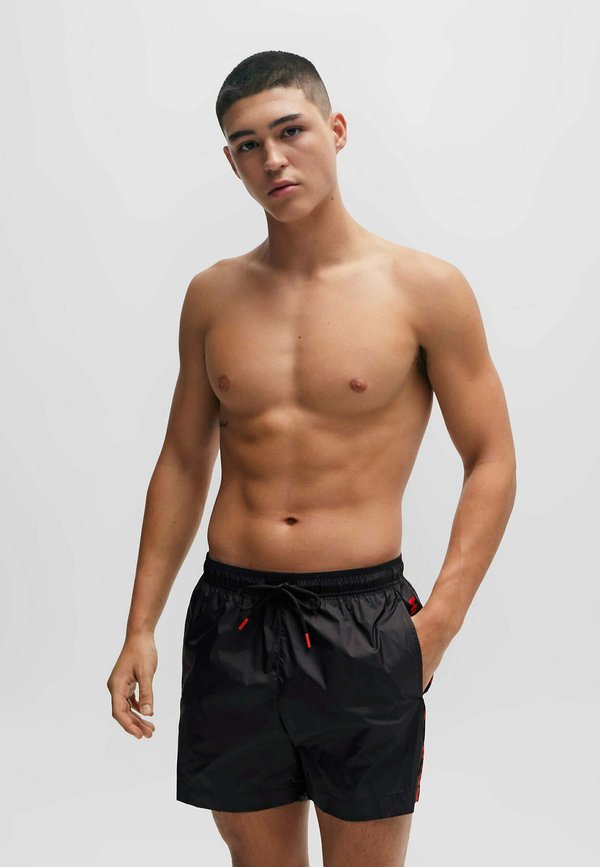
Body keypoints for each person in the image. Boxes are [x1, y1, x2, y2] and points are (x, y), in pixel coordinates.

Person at [106, 50, 517, 867]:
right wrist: (139, 625)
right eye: (247, 144)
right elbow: (183, 459)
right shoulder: (213, 295)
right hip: (231, 618)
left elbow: (492, 457)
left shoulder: (425, 289)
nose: (272, 158)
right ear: (231, 162)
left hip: (363, 622)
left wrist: (439, 622)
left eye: (290, 131)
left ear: (335, 130)